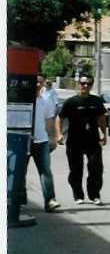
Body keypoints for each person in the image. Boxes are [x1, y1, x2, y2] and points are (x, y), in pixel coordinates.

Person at [57, 74, 108, 205]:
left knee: (96, 167)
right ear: (78, 84)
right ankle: (78, 194)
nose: (85, 86)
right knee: (76, 170)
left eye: (89, 84)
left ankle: (94, 195)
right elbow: (60, 118)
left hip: (92, 140)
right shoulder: (71, 102)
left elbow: (101, 118)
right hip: (74, 141)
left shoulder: (96, 101)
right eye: (83, 83)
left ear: (92, 85)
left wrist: (104, 133)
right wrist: (59, 134)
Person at [29, 75, 61, 212]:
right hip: (23, 141)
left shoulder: (46, 100)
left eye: (40, 82)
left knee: (46, 171)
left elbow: (49, 121)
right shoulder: (21, 99)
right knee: (19, 172)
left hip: (41, 141)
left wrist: (52, 138)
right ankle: (18, 200)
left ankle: (50, 200)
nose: (37, 85)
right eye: (35, 82)